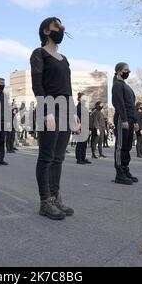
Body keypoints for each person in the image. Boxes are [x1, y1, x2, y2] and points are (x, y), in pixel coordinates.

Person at [30, 17, 76, 220]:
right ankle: (45, 202)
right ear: (46, 31)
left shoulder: (64, 59)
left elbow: (68, 88)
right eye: (56, 26)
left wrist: (74, 113)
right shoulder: (39, 54)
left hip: (66, 109)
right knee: (46, 157)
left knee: (59, 157)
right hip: (50, 108)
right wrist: (46, 110)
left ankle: (55, 197)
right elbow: (37, 85)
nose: (61, 29)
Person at [112, 62, 139, 185]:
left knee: (127, 147)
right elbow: (119, 103)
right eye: (126, 69)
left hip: (131, 120)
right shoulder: (117, 85)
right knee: (120, 147)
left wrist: (136, 121)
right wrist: (123, 119)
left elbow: (132, 106)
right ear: (118, 71)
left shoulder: (127, 87)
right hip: (123, 120)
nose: (129, 71)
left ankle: (125, 169)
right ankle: (119, 173)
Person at [75, 93, 91, 165]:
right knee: (80, 143)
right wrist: (77, 129)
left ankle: (83, 158)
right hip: (80, 127)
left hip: (85, 127)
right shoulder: (77, 108)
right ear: (79, 99)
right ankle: (79, 159)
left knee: (84, 144)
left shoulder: (84, 107)